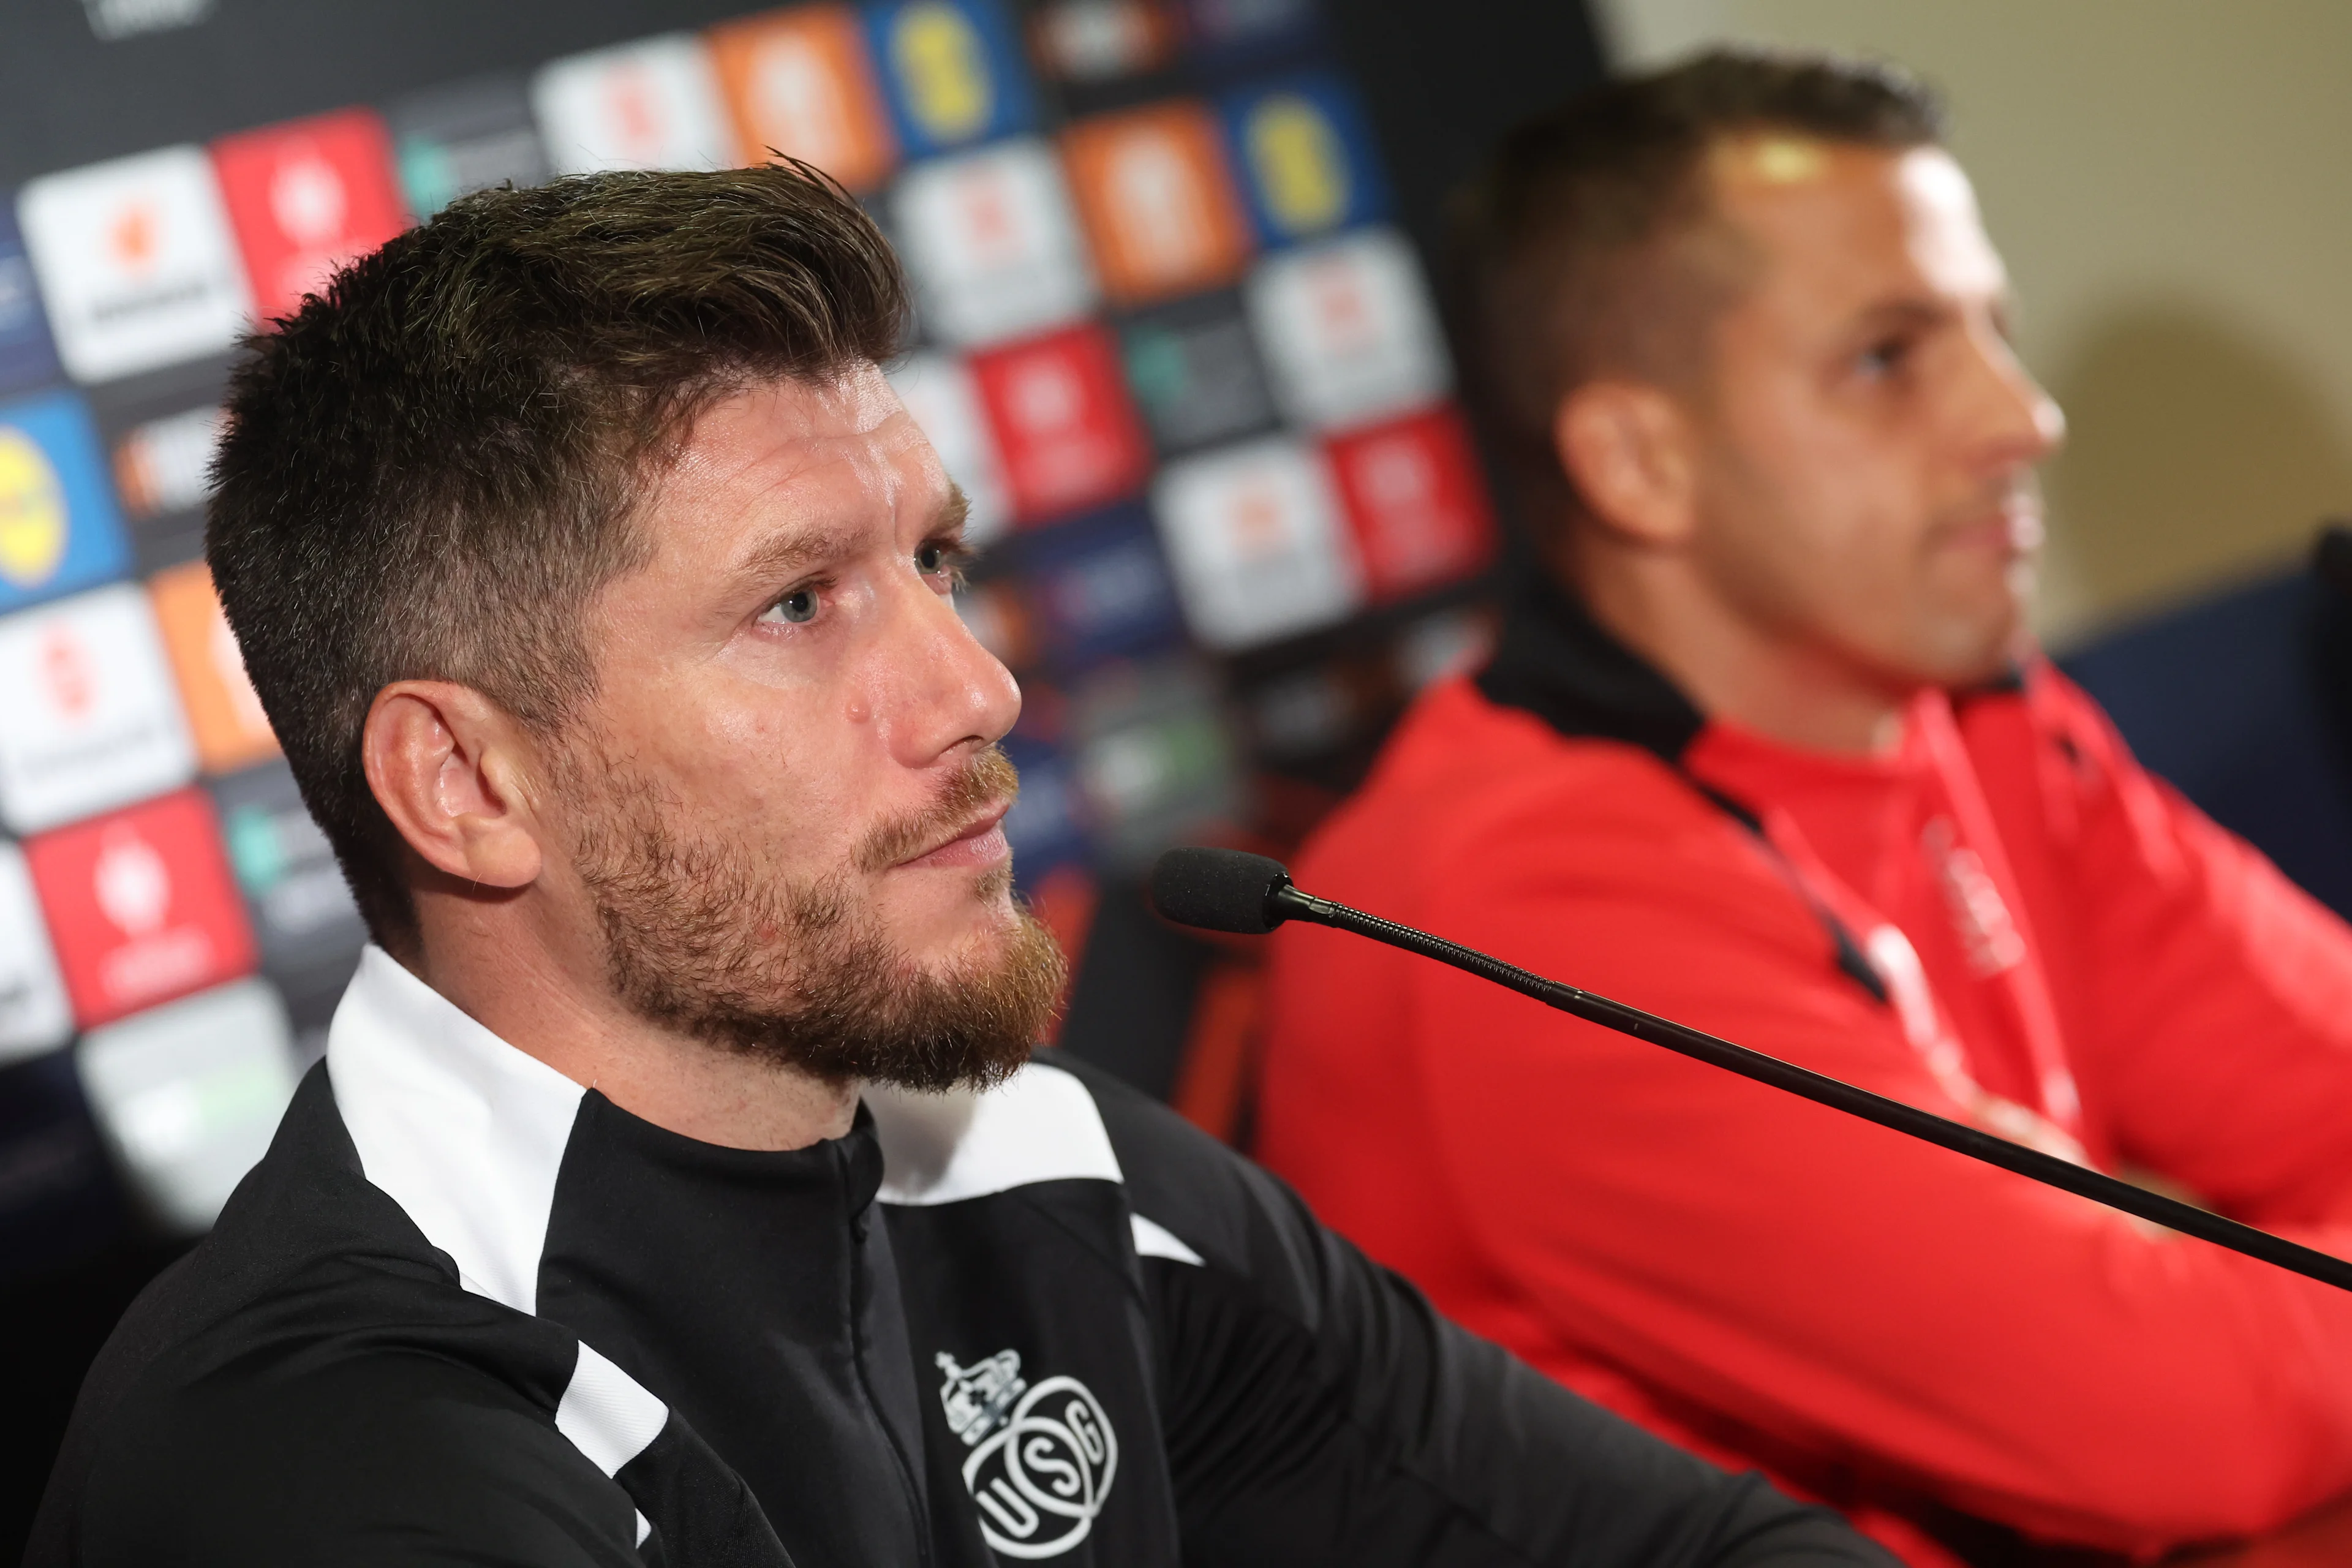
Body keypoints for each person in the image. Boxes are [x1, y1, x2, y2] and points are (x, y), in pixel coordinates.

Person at [23, 164, 1887, 1568]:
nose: (975, 685)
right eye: (797, 602)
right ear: (465, 786)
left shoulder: (1034, 1161)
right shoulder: (328, 1448)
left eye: (939, 562)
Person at [1253, 48, 2352, 1568]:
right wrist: (2212, 1310)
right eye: (1891, 358)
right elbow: (2190, 1419)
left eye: (1995, 333)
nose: (2023, 417)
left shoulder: (1970, 706)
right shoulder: (1501, 896)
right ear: (1641, 461)